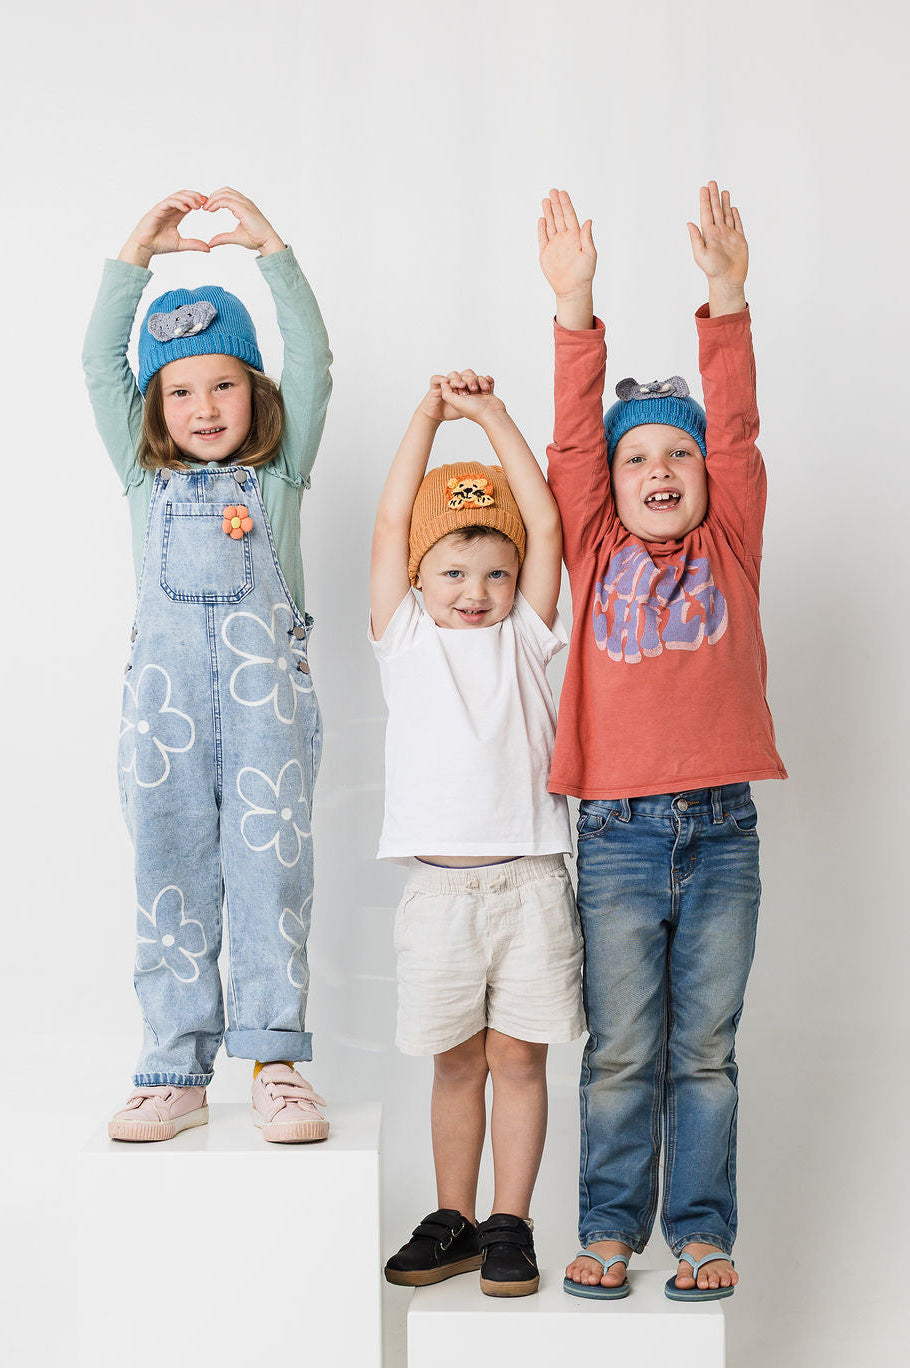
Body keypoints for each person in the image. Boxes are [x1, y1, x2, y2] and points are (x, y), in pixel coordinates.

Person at [538, 183, 786, 1301]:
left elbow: (730, 430)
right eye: (638, 461)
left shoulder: (730, 539)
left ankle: (697, 1233)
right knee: (624, 1052)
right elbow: (572, 453)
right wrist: (574, 307)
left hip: (722, 829)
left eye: (672, 462)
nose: (657, 474)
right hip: (620, 838)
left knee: (706, 1055)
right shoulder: (589, 540)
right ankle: (604, 1230)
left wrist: (724, 298)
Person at [84, 188, 332, 1143]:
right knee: (170, 872)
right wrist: (135, 254)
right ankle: (174, 1068)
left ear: (258, 394)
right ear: (155, 407)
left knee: (271, 878)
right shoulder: (143, 482)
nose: (202, 406)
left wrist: (272, 249)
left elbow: (313, 356)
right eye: (179, 391)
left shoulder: (281, 477)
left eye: (223, 384)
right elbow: (97, 365)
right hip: (164, 720)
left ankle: (276, 1063)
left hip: (268, 714)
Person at [371, 370, 584, 1296]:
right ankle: (453, 1216)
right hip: (439, 895)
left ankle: (511, 1223)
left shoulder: (529, 637)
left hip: (531, 882)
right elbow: (389, 524)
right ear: (418, 576)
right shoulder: (403, 637)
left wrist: (494, 418)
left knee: (519, 1059)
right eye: (454, 571)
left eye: (494, 572)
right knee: (456, 1061)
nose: (478, 589)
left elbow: (544, 523)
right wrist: (426, 416)